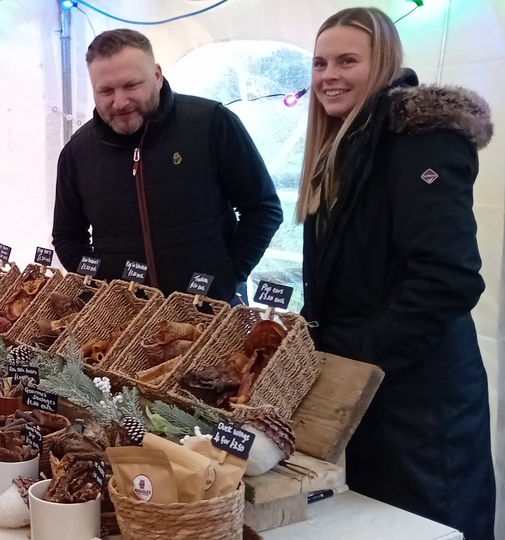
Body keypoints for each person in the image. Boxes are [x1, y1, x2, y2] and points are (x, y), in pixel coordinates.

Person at [299, 7, 495, 539]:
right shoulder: (342, 144)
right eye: (319, 63)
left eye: (347, 61)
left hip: (420, 396)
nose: (329, 75)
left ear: (383, 62)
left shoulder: (421, 141)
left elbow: (448, 278)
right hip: (367, 387)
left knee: (429, 523)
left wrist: (361, 355)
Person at [52, 29, 282, 303]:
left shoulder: (211, 123)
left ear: (157, 75)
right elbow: (67, 236)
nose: (120, 102)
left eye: (131, 85)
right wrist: (99, 287)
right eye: (106, 91)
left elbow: (262, 208)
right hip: (122, 317)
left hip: (211, 308)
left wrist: (229, 274)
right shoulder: (78, 152)